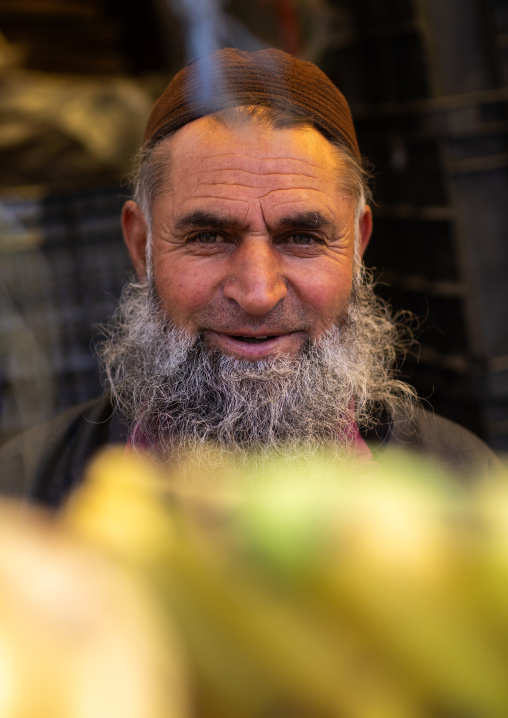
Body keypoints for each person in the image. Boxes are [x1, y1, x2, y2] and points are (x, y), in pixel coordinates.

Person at [0, 48, 501, 507]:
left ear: (357, 247)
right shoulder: (24, 496)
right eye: (209, 237)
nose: (259, 293)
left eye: (302, 238)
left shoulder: (461, 489)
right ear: (141, 245)